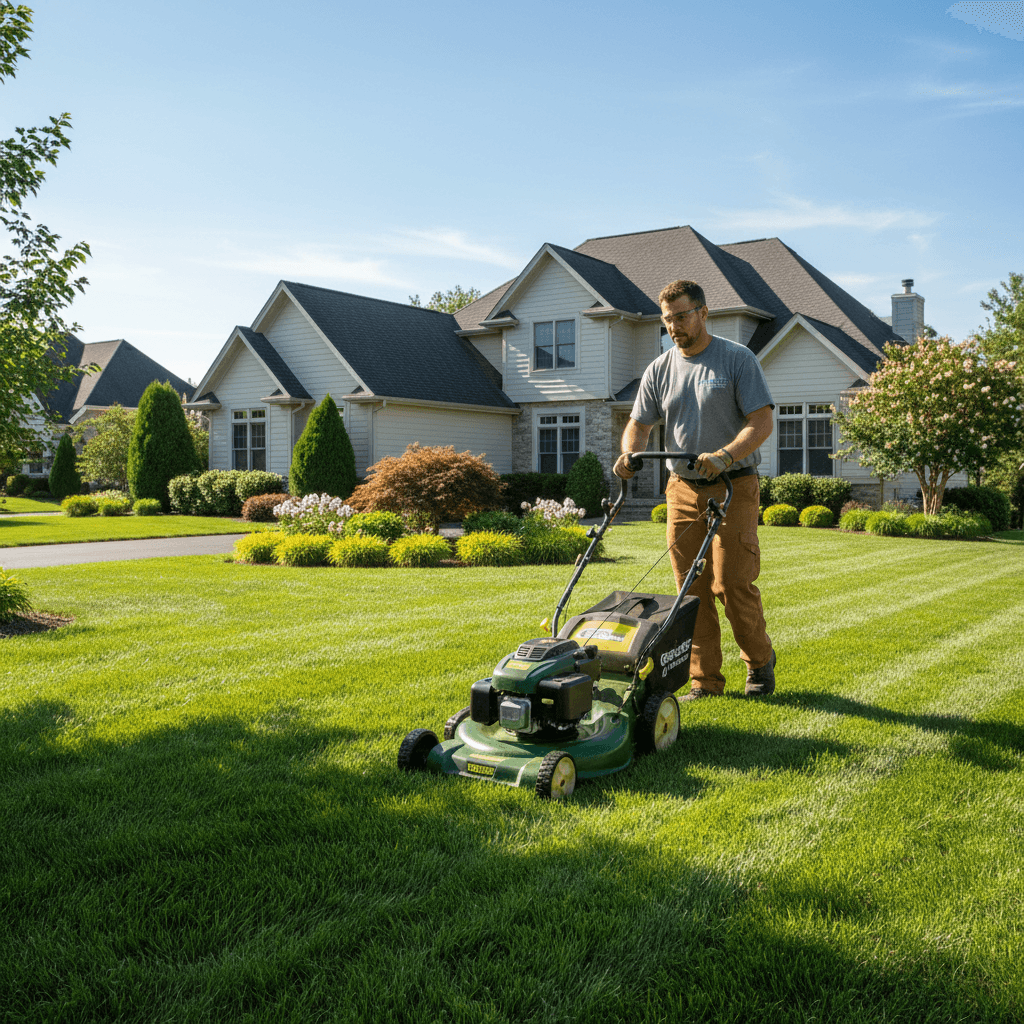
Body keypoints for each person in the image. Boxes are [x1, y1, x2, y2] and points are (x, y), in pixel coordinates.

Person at [612, 279, 776, 699]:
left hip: (732, 485)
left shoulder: (736, 360)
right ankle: (705, 681)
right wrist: (630, 452)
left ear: (703, 313)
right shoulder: (660, 369)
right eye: (667, 320)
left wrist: (725, 455)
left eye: (681, 316)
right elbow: (639, 424)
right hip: (682, 489)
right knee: (690, 589)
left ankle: (759, 663)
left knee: (732, 583)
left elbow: (761, 422)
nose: (674, 326)